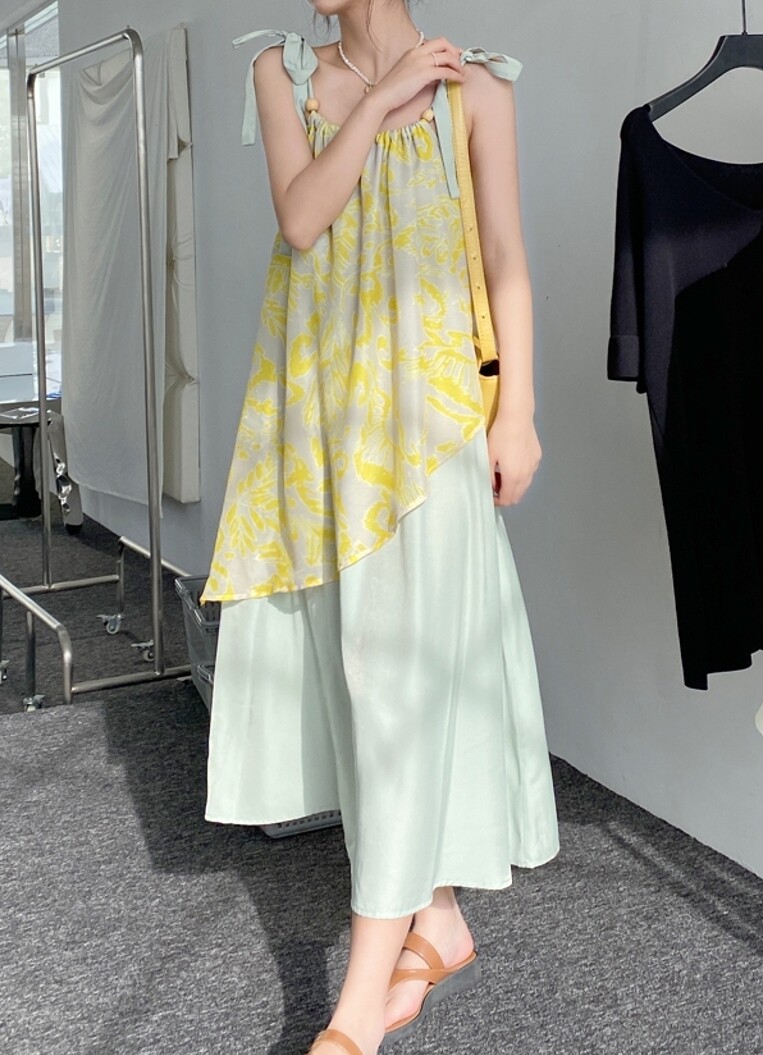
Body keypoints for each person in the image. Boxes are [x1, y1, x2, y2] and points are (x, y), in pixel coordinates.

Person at [200, 2, 559, 1053]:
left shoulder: (477, 88)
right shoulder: (278, 73)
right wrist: (377, 105)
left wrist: (518, 412)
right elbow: (302, 218)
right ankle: (435, 919)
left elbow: (505, 256)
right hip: (315, 423)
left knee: (394, 681)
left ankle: (355, 1008)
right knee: (354, 679)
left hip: (430, 428)